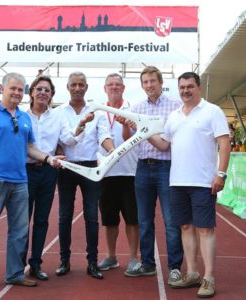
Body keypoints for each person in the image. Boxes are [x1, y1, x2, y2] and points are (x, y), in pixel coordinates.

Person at [0, 72, 64, 292]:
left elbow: (30, 149)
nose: (17, 93)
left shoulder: (24, 117)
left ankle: (15, 273)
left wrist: (48, 158)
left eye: (20, 89)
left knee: (19, 231)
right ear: (4, 88)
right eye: (13, 89)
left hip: (20, 182)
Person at [148, 72, 230, 298]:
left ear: (199, 88)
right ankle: (192, 273)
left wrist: (221, 174)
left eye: (190, 86)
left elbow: (224, 143)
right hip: (177, 181)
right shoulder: (173, 116)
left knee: (205, 229)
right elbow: (164, 145)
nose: (185, 91)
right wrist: (145, 134)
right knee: (185, 227)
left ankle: (209, 277)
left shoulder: (212, 111)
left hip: (203, 182)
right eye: (182, 87)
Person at [121, 66, 184, 284]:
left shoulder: (176, 107)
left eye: (152, 81)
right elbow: (128, 138)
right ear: (141, 85)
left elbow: (169, 143)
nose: (149, 85)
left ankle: (175, 267)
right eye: (145, 82)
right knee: (144, 220)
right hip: (142, 167)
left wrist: (144, 131)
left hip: (166, 167)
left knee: (170, 220)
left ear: (160, 82)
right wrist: (128, 126)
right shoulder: (137, 108)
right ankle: (148, 263)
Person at [55, 71, 115, 280]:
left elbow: (104, 136)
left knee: (91, 216)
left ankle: (92, 263)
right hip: (67, 167)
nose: (78, 88)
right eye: (74, 84)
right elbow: (59, 139)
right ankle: (64, 261)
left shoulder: (96, 111)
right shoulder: (59, 112)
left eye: (81, 84)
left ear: (87, 87)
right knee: (64, 216)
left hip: (90, 168)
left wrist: (113, 150)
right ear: (68, 87)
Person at [25, 75, 83, 281]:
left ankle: (35, 264)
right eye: (39, 89)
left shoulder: (58, 117)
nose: (43, 93)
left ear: (51, 95)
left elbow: (68, 139)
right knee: (22, 220)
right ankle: (17, 265)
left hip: (48, 173)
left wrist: (81, 125)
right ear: (31, 92)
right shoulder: (22, 117)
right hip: (25, 171)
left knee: (41, 220)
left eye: (47, 90)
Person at [97, 73, 140, 275]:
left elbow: (131, 137)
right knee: (109, 219)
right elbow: (101, 137)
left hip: (130, 173)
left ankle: (133, 258)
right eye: (110, 84)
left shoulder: (133, 110)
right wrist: (112, 152)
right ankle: (111, 256)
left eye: (118, 85)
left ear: (123, 88)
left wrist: (124, 124)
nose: (114, 87)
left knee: (132, 218)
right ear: (105, 88)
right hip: (107, 173)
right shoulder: (99, 112)